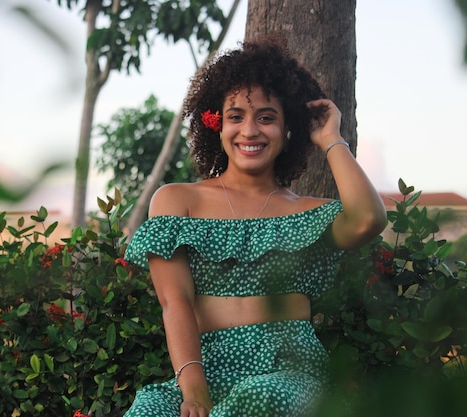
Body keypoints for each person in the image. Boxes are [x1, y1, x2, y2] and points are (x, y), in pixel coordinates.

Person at [123, 37, 387, 417]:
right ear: (216, 124)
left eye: (266, 117)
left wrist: (330, 138)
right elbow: (174, 302)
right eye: (236, 117)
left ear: (287, 129)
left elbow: (368, 219)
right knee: (148, 410)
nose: (250, 131)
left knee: (261, 396)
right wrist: (194, 393)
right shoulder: (177, 200)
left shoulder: (311, 214)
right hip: (202, 368)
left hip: (288, 370)